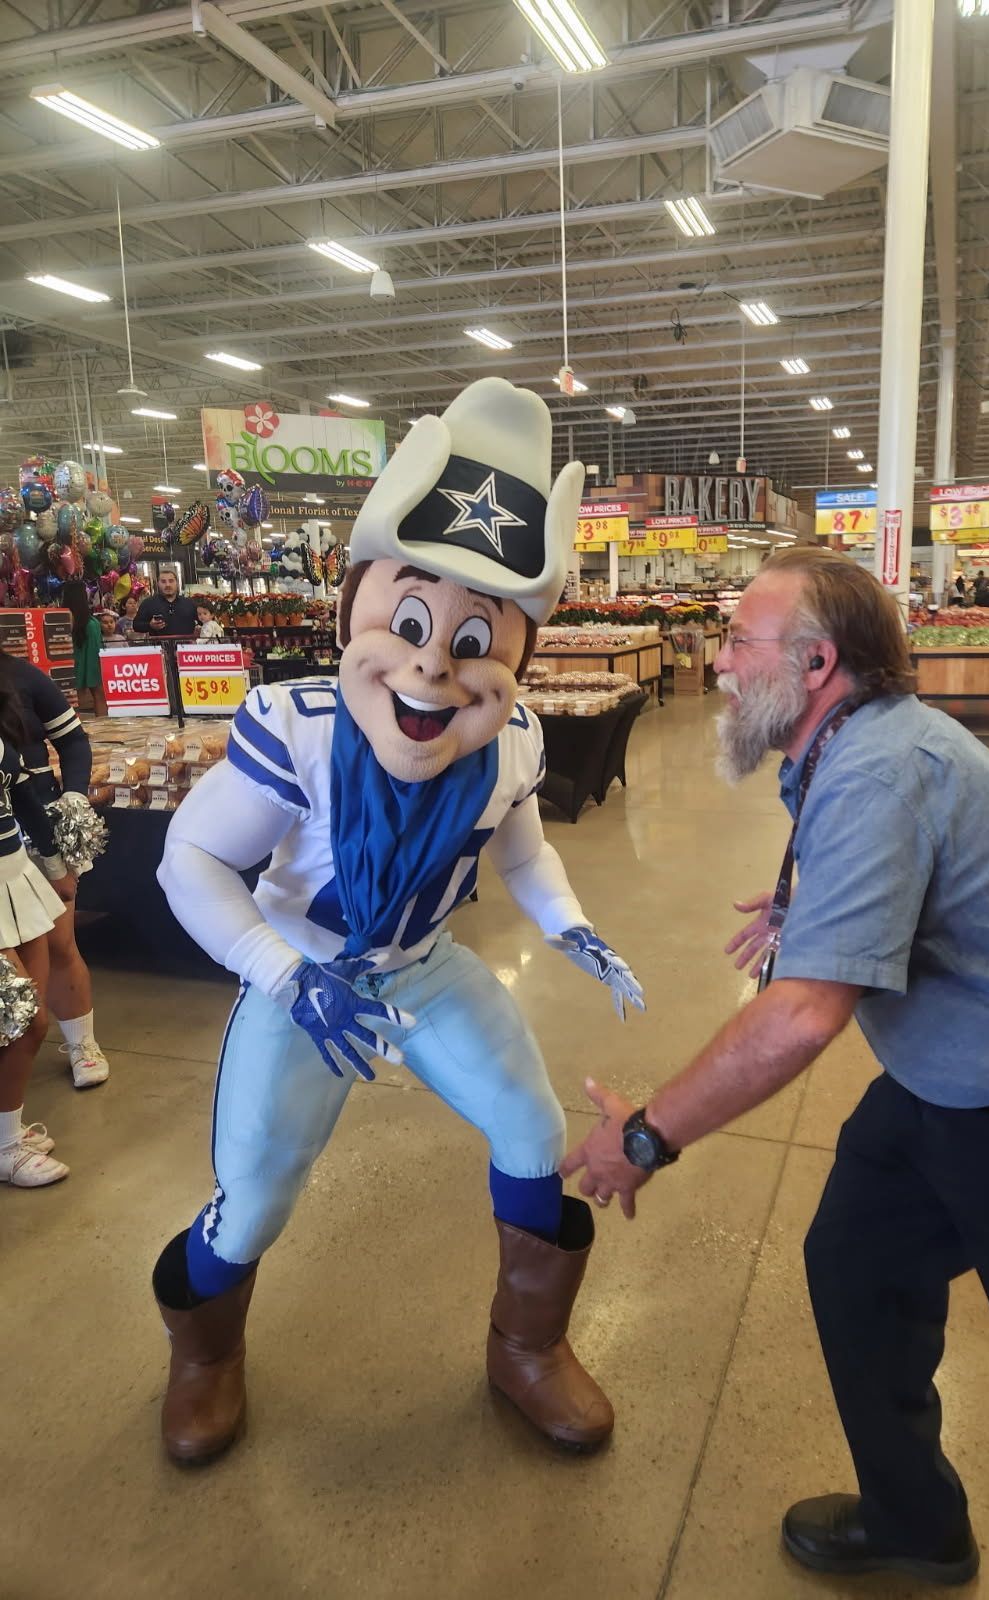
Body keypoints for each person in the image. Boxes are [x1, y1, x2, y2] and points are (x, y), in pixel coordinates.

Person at [561, 546, 989, 1600]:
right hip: (953, 1089)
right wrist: (814, 916)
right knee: (857, 1262)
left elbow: (801, 1017)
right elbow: (903, 898)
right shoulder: (853, 748)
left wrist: (644, 1137)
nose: (717, 664)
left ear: (815, 664)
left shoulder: (881, 770)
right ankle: (918, 1522)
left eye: (737, 642)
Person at [149, 377, 644, 1467]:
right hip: (306, 980)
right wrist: (280, 972)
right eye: (410, 620)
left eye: (473, 638)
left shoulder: (509, 745)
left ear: (516, 654)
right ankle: (204, 1355)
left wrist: (568, 921)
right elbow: (189, 857)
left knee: (529, 1129)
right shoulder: (300, 729)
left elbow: (522, 845)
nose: (430, 662)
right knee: (257, 1198)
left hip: (420, 968)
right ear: (355, 609)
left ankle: (526, 1345)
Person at [0, 650, 109, 1088]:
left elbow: (74, 741)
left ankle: (82, 1044)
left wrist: (75, 797)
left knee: (59, 941)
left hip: (36, 824)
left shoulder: (20, 675)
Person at [0, 666, 78, 1187]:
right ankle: (5, 1149)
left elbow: (22, 790)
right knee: (22, 1021)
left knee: (28, 1022)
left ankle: (6, 1130)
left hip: (14, 876)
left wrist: (55, 859)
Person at [63, 579, 106, 718]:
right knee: (98, 694)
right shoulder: (89, 621)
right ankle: (103, 726)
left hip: (75, 660)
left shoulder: (66, 615)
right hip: (91, 660)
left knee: (76, 698)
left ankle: (77, 729)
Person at [133, 570, 198, 637]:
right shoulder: (148, 603)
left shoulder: (189, 603)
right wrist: (150, 625)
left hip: (187, 646)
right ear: (158, 584)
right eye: (163, 581)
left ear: (177, 583)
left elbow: (203, 622)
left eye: (171, 581)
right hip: (159, 646)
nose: (168, 585)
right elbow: (136, 625)